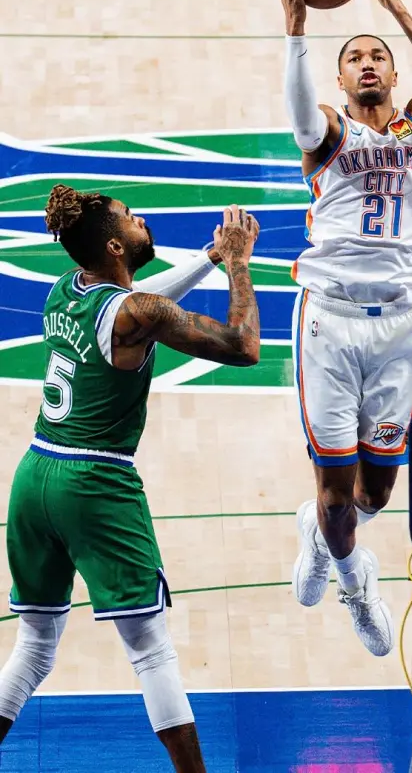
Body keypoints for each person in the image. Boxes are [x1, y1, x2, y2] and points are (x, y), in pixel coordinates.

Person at [0, 185, 261, 772]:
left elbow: (137, 307)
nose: (142, 218)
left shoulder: (67, 288)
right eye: (130, 218)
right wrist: (239, 265)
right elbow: (244, 347)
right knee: (150, 651)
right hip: (95, 482)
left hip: (35, 476)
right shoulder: (137, 313)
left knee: (35, 647)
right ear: (117, 245)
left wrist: (209, 258)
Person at [279, 0, 412, 656]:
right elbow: (302, 119)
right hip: (329, 321)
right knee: (336, 498)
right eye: (354, 56)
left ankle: (323, 536)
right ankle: (355, 578)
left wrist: (400, 12)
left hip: (400, 327)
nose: (366, 64)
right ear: (339, 75)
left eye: (376, 57)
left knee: (377, 494)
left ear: (391, 71)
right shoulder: (330, 128)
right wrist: (296, 29)